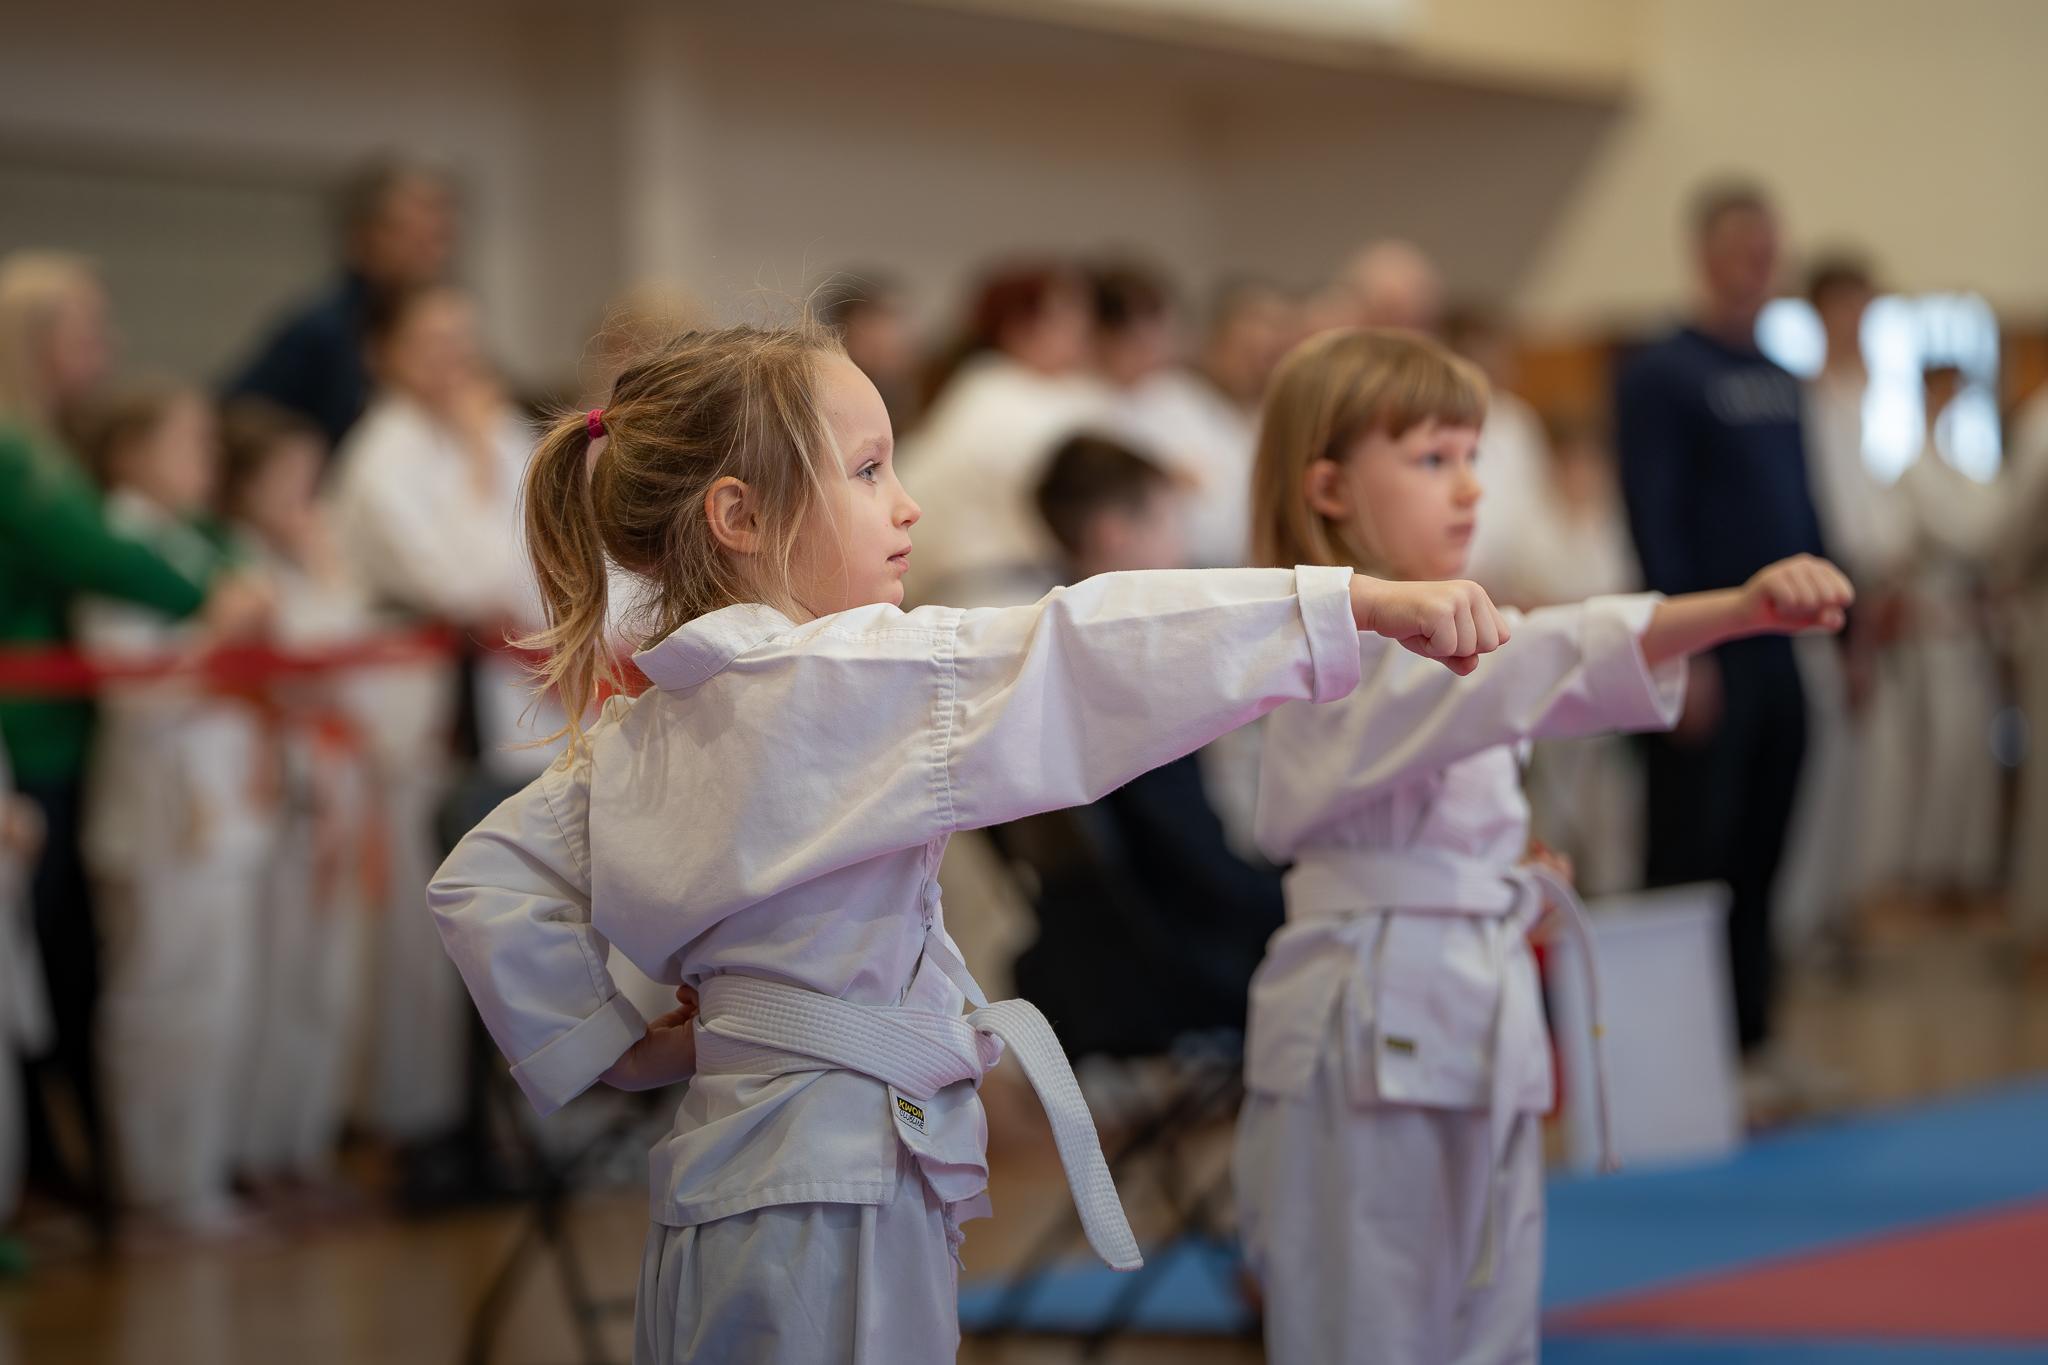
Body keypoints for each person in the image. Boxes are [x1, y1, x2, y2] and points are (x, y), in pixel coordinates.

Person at [427, 322, 1509, 1364]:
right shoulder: (847, 683)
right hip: (829, 1189)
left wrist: (615, 1047)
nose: (906, 504)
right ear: (739, 516)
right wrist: (1346, 605)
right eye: (866, 471)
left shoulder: (644, 729)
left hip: (736, 1177)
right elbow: (1084, 650)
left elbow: (484, 876)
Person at [1231, 326, 1853, 1365]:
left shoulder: (1435, 647)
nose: (1469, 486)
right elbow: (1540, 660)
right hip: (1367, 1018)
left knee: (1492, 1308)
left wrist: (1496, 870)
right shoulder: (1337, 653)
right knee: (1369, 1321)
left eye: (1473, 455)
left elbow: (1470, 729)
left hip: (1460, 994)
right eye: (1431, 458)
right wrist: (1733, 610)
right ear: (1328, 488)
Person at [0, 252, 268, 1237]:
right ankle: (130, 1184)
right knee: (112, 983)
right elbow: (101, 560)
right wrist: (218, 605)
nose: (103, 350)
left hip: (88, 743)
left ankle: (154, 1178)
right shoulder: (22, 453)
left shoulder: (48, 452)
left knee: (163, 985)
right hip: (41, 736)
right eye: (85, 333)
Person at [1614, 181, 1832, 1072]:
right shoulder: (1661, 373)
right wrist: (1683, 652)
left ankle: (1752, 1035)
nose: (1756, 265)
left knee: (1765, 843)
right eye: (1741, 248)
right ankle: (1673, 1058)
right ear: (1705, 254)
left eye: (1767, 250)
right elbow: (1652, 515)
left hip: (1779, 652)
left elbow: (1805, 508)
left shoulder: (1781, 377)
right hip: (1706, 646)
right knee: (1692, 847)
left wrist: (1847, 631)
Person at [328, 281, 544, 1145]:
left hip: (515, 703)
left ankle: (523, 1120)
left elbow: (561, 551)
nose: (455, 359)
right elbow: (464, 582)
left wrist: (488, 452)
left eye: (464, 337)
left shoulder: (500, 429)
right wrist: (481, 460)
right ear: (384, 354)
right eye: (431, 341)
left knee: (522, 911)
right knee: (426, 927)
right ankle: (427, 1125)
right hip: (421, 717)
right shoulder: (380, 456)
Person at [75, 383, 272, 1242]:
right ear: (129, 454)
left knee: (217, 997)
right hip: (158, 808)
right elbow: (134, 695)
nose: (208, 458)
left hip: (218, 799)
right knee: (161, 997)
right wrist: (222, 634)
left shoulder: (191, 541)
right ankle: (156, 1186)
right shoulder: (114, 544)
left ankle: (202, 1174)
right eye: (186, 440)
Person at [1012, 434, 1285, 1055]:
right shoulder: (1126, 668)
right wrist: (1312, 895)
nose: (1184, 549)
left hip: (1105, 955)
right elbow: (1204, 875)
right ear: (1114, 534)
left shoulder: (1052, 644)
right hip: (1177, 967)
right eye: (1170, 522)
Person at [216, 399, 375, 1201]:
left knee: (327, 974)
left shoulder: (309, 559)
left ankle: (304, 1148)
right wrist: (326, 572)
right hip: (278, 772)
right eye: (287, 479)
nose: (303, 499)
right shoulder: (237, 564)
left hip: (333, 768)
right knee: (279, 973)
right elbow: (314, 655)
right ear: (243, 487)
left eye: (310, 480)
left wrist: (325, 568)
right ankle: (256, 1150)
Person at [899, 261, 1110, 605]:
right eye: (1065, 315)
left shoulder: (1052, 390)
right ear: (1019, 329)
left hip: (1025, 578)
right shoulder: (995, 394)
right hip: (992, 584)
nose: (1082, 327)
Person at [224, 157, 457, 450]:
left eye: (436, 235)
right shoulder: (322, 329)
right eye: (407, 231)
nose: (428, 249)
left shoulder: (444, 317)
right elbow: (235, 413)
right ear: (361, 237)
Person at [1108, 272, 1292, 568]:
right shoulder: (1159, 400)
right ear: (1214, 342)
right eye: (1245, 350)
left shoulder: (1270, 420)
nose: (1255, 366)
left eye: (1267, 354)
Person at [814, 272, 921, 432]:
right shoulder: (826, 396)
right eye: (873, 341)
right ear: (841, 335)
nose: (889, 342)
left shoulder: (915, 394)